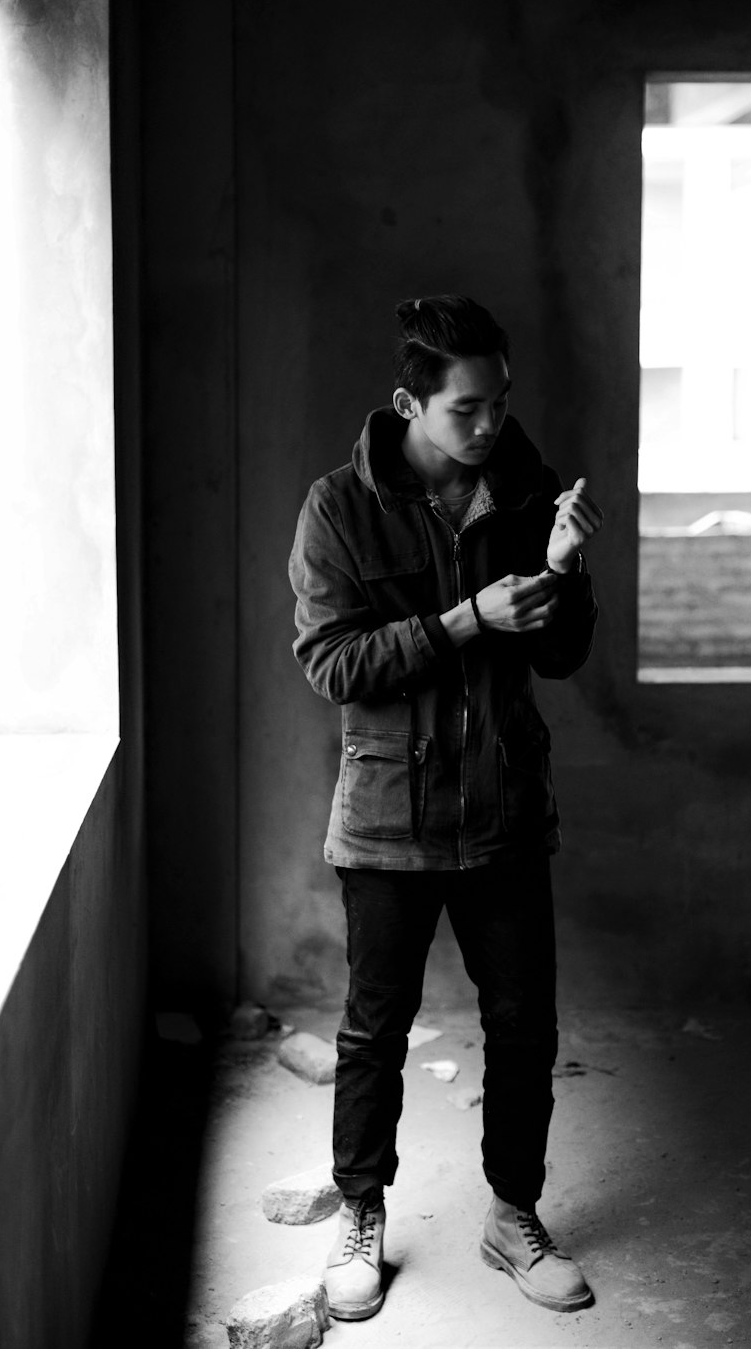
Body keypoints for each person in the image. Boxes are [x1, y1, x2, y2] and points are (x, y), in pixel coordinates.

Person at [288, 295, 603, 1321]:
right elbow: (333, 663)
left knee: (522, 1028)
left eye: (499, 405)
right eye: (465, 410)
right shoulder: (338, 508)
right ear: (408, 403)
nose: (488, 428)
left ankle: (513, 1214)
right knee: (374, 1031)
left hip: (503, 805)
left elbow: (558, 654)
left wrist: (564, 572)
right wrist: (466, 619)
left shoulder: (524, 490)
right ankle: (361, 1211)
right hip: (385, 815)